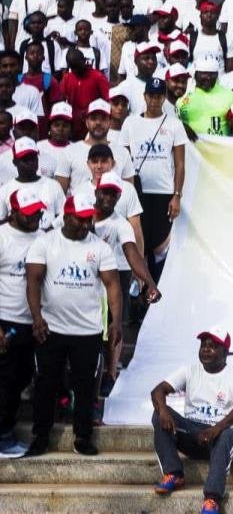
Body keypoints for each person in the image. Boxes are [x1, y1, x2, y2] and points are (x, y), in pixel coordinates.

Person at [23, 192, 122, 457]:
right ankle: (40, 436)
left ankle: (83, 437)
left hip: (87, 330)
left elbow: (113, 285)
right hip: (51, 328)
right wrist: (36, 318)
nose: (85, 225)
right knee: (45, 384)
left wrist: (116, 322)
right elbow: (33, 281)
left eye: (88, 219)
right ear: (66, 217)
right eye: (79, 220)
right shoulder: (45, 243)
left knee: (85, 386)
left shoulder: (99, 247)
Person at [150, 327, 233, 514]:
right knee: (159, 414)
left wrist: (216, 429)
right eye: (203, 345)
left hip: (221, 437)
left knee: (228, 433)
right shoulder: (189, 371)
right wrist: (163, 410)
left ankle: (211, 499)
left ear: (225, 352)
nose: (205, 349)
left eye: (212, 346)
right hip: (194, 434)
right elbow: (158, 391)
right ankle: (174, 474)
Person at [118, 78, 187, 281]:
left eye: (159, 96)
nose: (155, 100)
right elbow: (123, 159)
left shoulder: (174, 125)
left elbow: (180, 164)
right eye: (151, 95)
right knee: (138, 243)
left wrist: (177, 195)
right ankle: (138, 291)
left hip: (163, 193)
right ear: (145, 96)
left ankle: (155, 290)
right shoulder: (130, 123)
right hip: (137, 192)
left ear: (164, 97)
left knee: (159, 244)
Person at [0, 189, 46, 456]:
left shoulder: (42, 238)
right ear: (13, 212)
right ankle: (3, 435)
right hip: (6, 320)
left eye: (38, 212)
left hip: (33, 322)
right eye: (29, 214)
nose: (35, 217)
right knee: (5, 381)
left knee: (20, 379)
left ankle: (7, 430)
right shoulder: (3, 237)